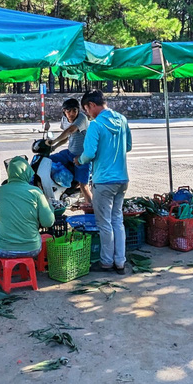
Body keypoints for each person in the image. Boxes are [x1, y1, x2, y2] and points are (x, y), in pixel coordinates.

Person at [76, 90, 132, 275]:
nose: (87, 113)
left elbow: (89, 154)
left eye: (86, 109)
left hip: (104, 181)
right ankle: (120, 262)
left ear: (92, 105)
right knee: (118, 220)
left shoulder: (96, 125)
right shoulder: (122, 120)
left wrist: (80, 160)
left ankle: (107, 262)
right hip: (122, 179)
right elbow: (129, 146)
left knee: (105, 223)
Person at [0, 156, 55, 278]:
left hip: (2, 250)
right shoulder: (36, 192)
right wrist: (49, 206)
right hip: (32, 249)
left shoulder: (1, 190)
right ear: (28, 172)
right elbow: (48, 222)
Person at [44, 98, 93, 203]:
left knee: (84, 186)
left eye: (74, 110)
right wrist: (54, 147)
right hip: (69, 153)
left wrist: (53, 141)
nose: (71, 113)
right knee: (47, 160)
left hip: (83, 156)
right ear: (64, 111)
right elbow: (66, 136)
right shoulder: (64, 120)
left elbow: (70, 130)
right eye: (68, 111)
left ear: (78, 111)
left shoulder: (82, 118)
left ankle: (92, 208)